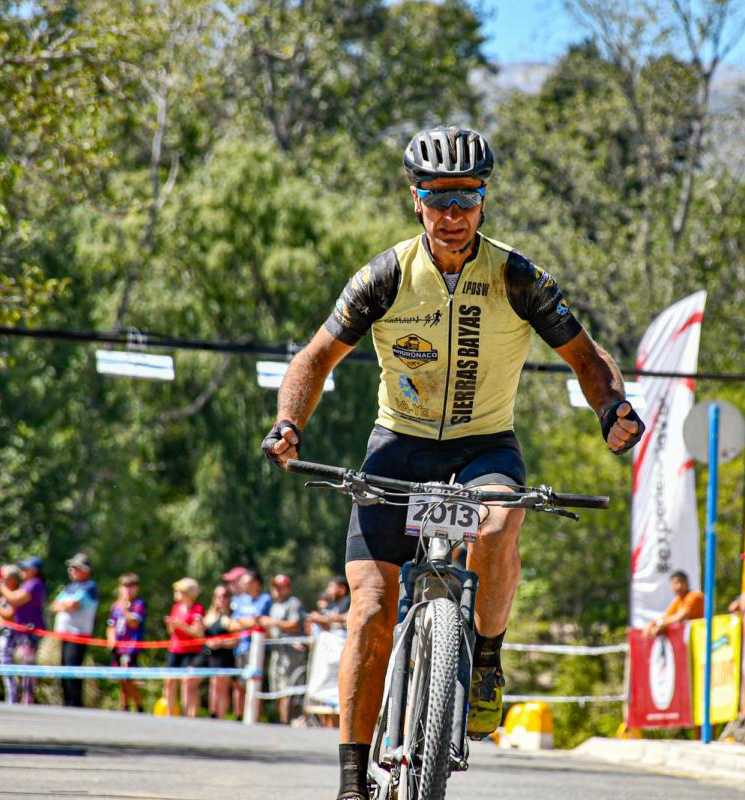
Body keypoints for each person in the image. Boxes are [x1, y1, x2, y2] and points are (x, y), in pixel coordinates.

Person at [261, 125, 644, 800]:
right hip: (398, 444)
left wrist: (612, 407)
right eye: (439, 197)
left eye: (466, 196)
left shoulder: (518, 277)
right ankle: (351, 781)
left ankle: (486, 660)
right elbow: (314, 359)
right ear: (416, 199)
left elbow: (586, 358)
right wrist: (289, 423)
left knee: (497, 524)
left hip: (483, 446)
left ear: (484, 199)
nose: (453, 212)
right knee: (370, 610)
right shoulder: (385, 276)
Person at [0, 556, 45, 705]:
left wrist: (0, 586)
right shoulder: (28, 584)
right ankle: (24, 699)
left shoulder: (35, 583)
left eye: (26, 568)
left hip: (30, 631)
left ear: (35, 570)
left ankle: (27, 700)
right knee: (23, 664)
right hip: (23, 631)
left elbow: (14, 599)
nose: (23, 570)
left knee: (27, 665)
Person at [50, 553, 98, 707]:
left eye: (76, 568)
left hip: (78, 635)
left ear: (86, 570)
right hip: (65, 635)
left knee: (73, 669)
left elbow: (74, 605)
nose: (71, 570)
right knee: (64, 669)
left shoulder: (90, 586)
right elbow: (54, 605)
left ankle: (75, 703)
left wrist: (64, 605)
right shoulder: (71, 587)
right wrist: (65, 605)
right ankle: (67, 701)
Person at [261, 574, 307, 724]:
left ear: (288, 588)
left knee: (288, 689)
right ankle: (283, 721)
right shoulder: (274, 606)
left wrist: (272, 623)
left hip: (291, 653)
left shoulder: (293, 603)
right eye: (275, 587)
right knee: (277, 689)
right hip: (277, 652)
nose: (277, 590)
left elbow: (294, 624)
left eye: (280, 587)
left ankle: (288, 721)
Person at [229, 569, 271, 718]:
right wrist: (248, 622)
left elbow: (260, 622)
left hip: (256, 649)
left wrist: (244, 622)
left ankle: (256, 719)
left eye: (246, 582)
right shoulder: (241, 600)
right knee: (239, 685)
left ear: (256, 583)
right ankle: (239, 717)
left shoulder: (265, 599)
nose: (243, 585)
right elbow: (232, 625)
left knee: (254, 685)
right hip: (240, 648)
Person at [163, 577, 204, 718]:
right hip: (174, 649)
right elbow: (171, 631)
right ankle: (169, 713)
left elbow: (198, 632)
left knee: (187, 682)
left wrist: (181, 625)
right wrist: (171, 624)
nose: (177, 593)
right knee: (169, 680)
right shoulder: (176, 607)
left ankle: (188, 714)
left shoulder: (197, 609)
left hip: (191, 651)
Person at [106, 573, 146, 713]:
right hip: (118, 647)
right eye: (125, 586)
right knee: (120, 678)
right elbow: (111, 625)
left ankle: (139, 705)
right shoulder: (115, 606)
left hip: (131, 647)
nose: (127, 590)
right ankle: (124, 706)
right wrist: (111, 639)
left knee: (128, 677)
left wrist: (125, 608)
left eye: (131, 586)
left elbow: (133, 623)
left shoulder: (138, 604)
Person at [0, 565, 26, 704]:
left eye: (5, 578)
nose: (2, 581)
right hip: (2, 633)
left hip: (12, 635)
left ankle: (13, 697)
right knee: (4, 666)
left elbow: (9, 614)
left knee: (9, 667)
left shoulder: (14, 594)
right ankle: (10, 696)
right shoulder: (4, 595)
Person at [201, 584, 237, 720]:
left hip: (225, 655)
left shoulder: (232, 617)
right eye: (218, 596)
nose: (221, 599)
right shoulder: (209, 617)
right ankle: (213, 713)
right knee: (213, 685)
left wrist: (220, 643)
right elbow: (202, 635)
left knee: (222, 687)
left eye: (224, 596)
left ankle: (221, 716)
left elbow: (236, 641)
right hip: (211, 656)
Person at [642, 571, 705, 637]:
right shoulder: (678, 600)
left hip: (702, 638)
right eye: (675, 583)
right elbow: (666, 617)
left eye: (681, 582)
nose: (679, 586)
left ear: (687, 583)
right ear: (671, 586)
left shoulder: (695, 596)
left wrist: (660, 623)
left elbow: (679, 617)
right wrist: (652, 624)